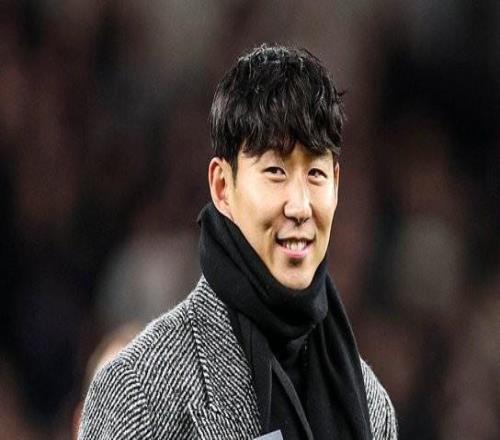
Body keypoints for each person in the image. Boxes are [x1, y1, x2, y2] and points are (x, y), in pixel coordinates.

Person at [79, 44, 397, 440]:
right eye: (275, 171)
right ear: (221, 186)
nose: (300, 207)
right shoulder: (137, 391)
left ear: (336, 184)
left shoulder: (372, 407)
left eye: (315, 174)